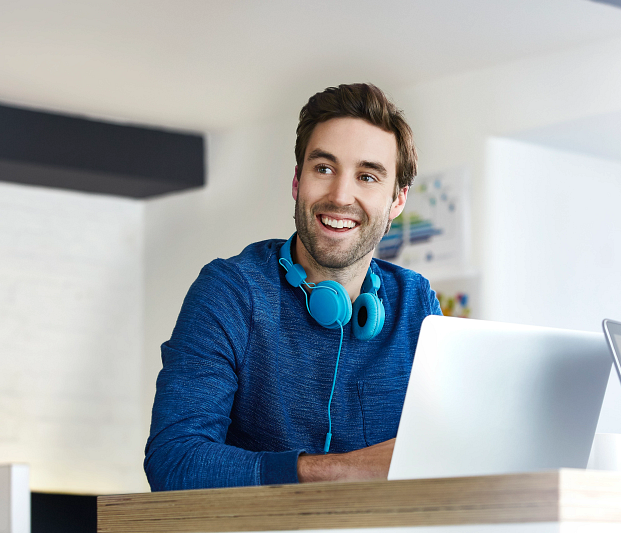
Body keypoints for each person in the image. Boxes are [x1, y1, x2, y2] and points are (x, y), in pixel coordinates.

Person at [144, 83, 442, 490]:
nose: (341, 195)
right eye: (324, 169)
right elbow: (174, 461)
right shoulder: (230, 292)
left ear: (397, 201)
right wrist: (346, 469)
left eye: (367, 176)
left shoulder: (416, 303)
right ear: (297, 181)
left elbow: (451, 448)